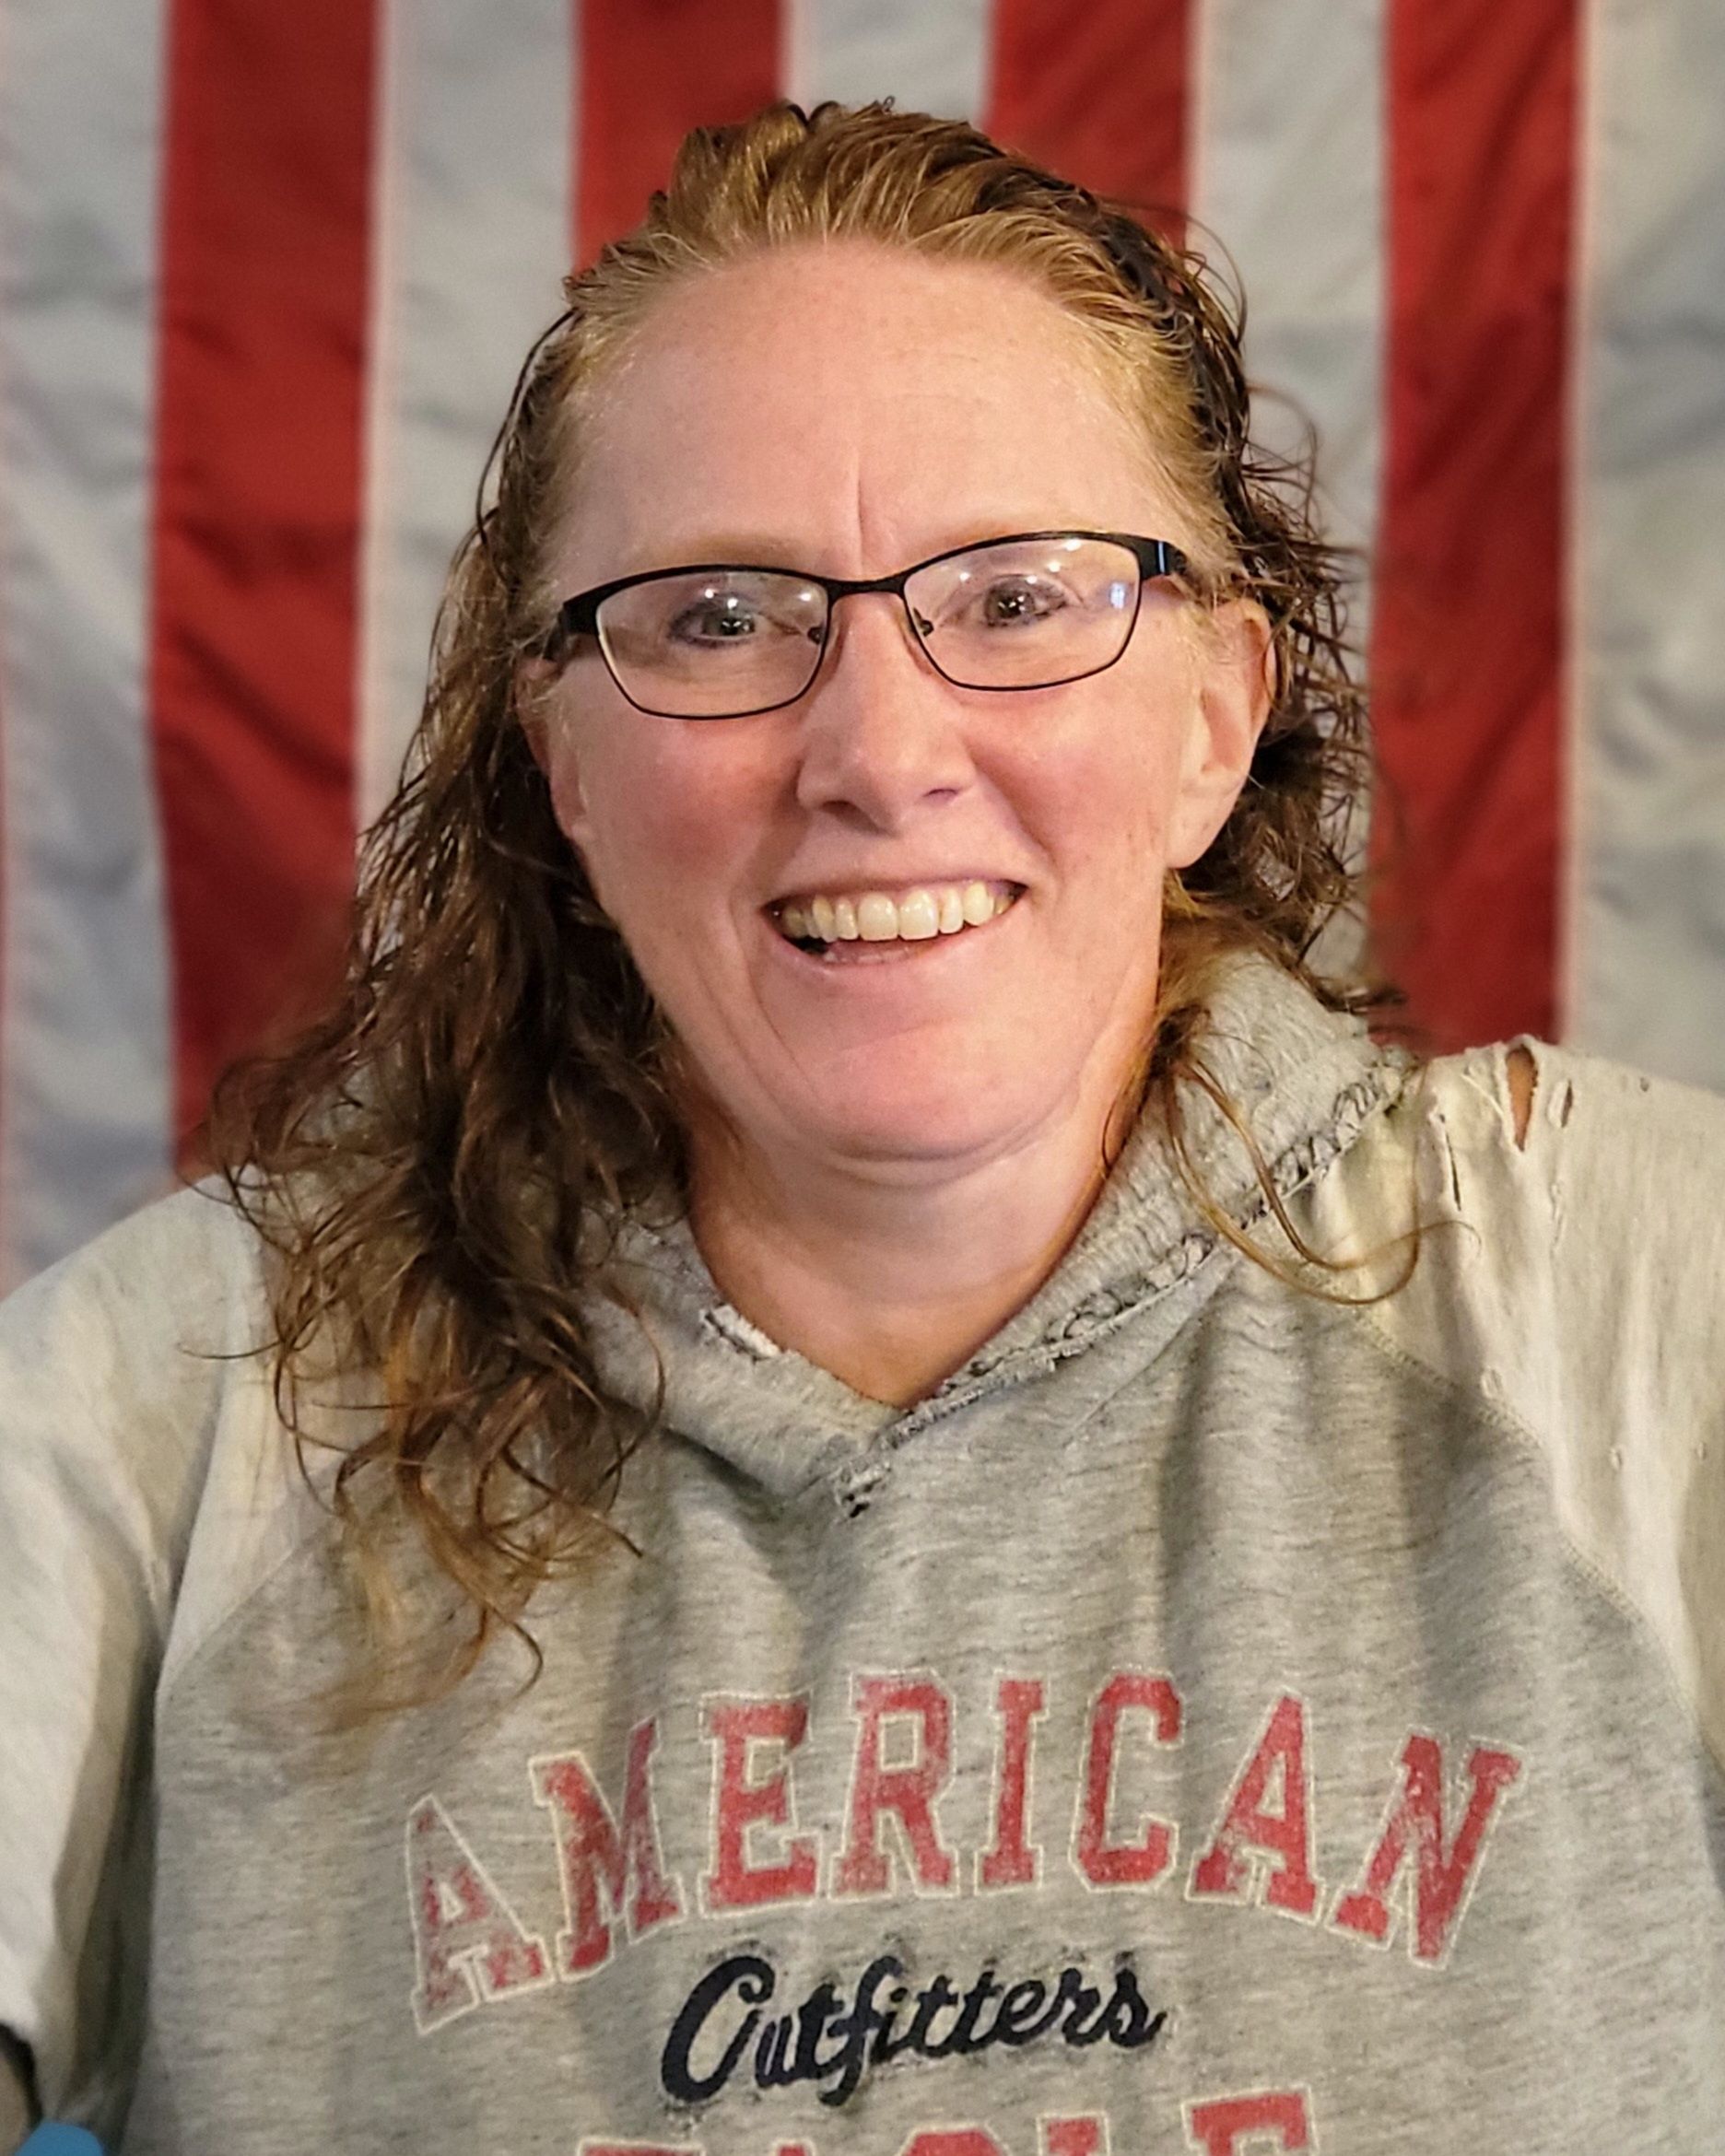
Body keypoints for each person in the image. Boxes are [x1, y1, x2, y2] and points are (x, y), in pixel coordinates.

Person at [1, 99, 1721, 2156]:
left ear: (1211, 716)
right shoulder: (178, 1413)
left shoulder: (1641, 1300)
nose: (880, 753)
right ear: (560, 760)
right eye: (719, 619)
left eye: (1018, 598)